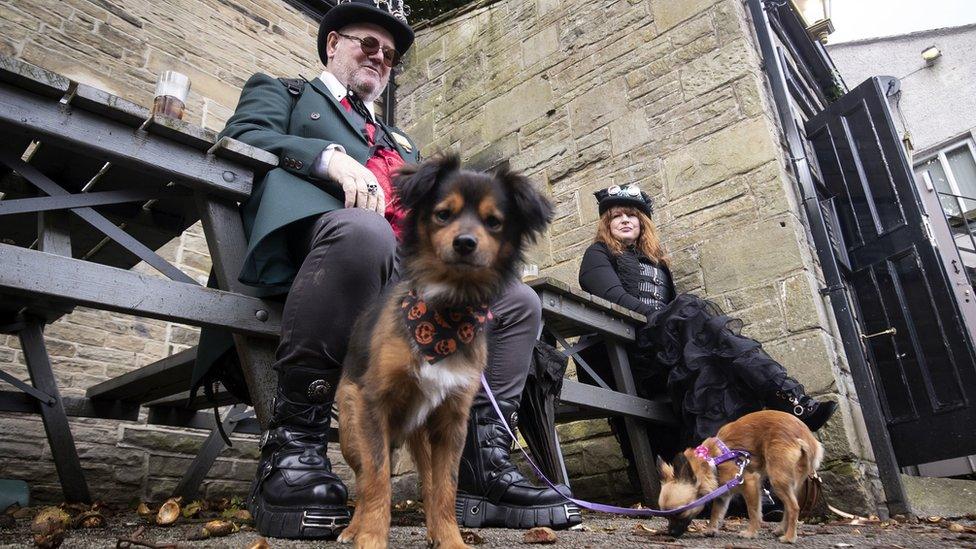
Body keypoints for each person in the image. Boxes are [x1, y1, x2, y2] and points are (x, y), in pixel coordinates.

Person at [198, 0, 578, 539]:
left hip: (405, 287)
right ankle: (294, 447)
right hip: (320, 258)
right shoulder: (283, 93)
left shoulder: (403, 143)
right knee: (365, 230)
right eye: (367, 43)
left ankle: (481, 463)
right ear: (332, 44)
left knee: (518, 301)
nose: (380, 56)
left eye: (390, 54)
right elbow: (244, 137)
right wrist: (329, 158)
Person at [577, 184, 837, 458]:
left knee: (715, 379)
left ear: (643, 224)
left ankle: (732, 474)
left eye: (632, 216)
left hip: (657, 349)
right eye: (617, 216)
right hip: (620, 351)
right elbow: (613, 297)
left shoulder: (658, 264)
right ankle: (785, 395)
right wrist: (664, 319)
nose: (626, 220)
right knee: (690, 308)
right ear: (607, 223)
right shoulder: (598, 253)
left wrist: (670, 324)